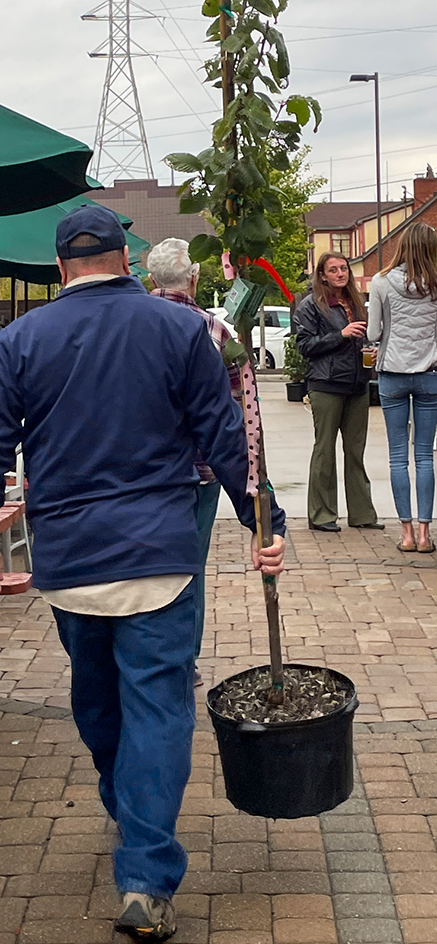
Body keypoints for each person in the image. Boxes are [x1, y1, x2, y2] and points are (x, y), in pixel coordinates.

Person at [0, 205, 285, 942]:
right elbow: (224, 436)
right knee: (158, 705)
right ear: (127, 263)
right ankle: (143, 872)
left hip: (70, 558)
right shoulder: (180, 330)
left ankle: (134, 823)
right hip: (160, 554)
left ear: (60, 268)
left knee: (98, 700)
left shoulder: (20, 340)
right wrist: (265, 522)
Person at [147, 238, 280, 684]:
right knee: (191, 568)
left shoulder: (132, 324)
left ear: (150, 279)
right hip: (201, 469)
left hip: (142, 467)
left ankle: (150, 653)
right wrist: (257, 495)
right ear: (196, 278)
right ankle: (185, 661)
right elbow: (243, 414)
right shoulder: (215, 331)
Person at [294, 252, 382, 533]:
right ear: (322, 275)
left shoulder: (356, 303)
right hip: (326, 384)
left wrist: (372, 351)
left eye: (343, 268)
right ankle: (321, 515)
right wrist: (340, 335)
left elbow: (365, 336)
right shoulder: (310, 305)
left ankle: (362, 514)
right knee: (325, 451)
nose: (340, 273)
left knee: (356, 452)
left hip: (358, 384)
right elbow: (305, 345)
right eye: (333, 270)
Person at [368, 222, 437, 553]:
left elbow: (372, 333)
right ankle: (426, 535)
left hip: (392, 373)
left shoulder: (381, 281)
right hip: (430, 374)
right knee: (424, 455)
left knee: (398, 457)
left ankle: (406, 533)